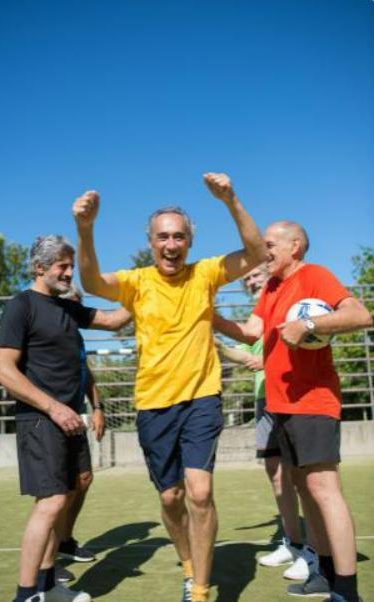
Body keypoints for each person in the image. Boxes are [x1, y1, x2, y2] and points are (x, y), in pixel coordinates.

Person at [72, 173, 266, 602]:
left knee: (200, 492)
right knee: (171, 498)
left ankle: (200, 591)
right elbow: (91, 283)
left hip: (201, 398)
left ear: (190, 242)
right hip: (153, 405)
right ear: (151, 242)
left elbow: (256, 253)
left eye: (179, 236)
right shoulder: (138, 282)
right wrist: (85, 229)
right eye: (163, 237)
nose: (171, 244)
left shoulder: (206, 274)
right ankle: (188, 564)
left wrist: (231, 200)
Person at [216, 221, 372, 602]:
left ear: (295, 246)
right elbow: (250, 332)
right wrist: (206, 316)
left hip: (313, 401)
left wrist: (308, 324)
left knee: (324, 489)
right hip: (280, 404)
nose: (263, 251)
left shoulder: (314, 275)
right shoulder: (271, 287)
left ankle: (347, 591)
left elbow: (361, 315)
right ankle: (324, 573)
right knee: (304, 489)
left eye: (270, 244)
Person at [0, 236, 131, 602]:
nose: (71, 273)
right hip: (41, 419)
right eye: (63, 266)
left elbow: (114, 320)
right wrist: (54, 408)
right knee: (52, 502)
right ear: (39, 267)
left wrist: (153, 288)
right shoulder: (21, 306)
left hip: (69, 421)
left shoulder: (67, 308)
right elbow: (5, 371)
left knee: (68, 495)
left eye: (72, 266)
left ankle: (48, 584)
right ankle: (26, 595)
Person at [214, 265, 319, 581]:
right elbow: (246, 356)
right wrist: (217, 346)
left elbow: (302, 342)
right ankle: (293, 543)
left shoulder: (290, 305)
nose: (250, 281)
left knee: (303, 477)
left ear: (270, 275)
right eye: (246, 278)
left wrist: (269, 361)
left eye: (255, 275)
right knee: (276, 474)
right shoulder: (256, 320)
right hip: (265, 398)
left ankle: (315, 552)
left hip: (294, 395)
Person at [56, 283, 119, 582]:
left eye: (79, 303)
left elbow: (86, 372)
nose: (77, 308)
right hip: (52, 419)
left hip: (75, 416)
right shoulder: (48, 333)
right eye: (72, 302)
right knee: (58, 491)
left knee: (83, 479)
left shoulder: (75, 336)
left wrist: (98, 407)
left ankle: (65, 541)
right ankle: (47, 561)